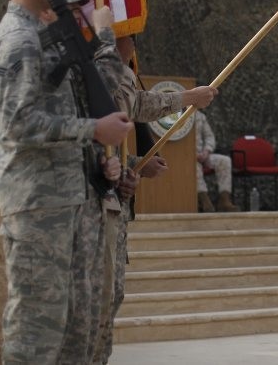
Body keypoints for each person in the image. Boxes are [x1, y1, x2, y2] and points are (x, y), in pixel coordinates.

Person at [0, 0, 132, 364]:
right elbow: (18, 124)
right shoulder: (18, 40)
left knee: (73, 328)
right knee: (37, 328)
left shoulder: (40, 38)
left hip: (65, 199)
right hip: (37, 203)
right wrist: (94, 130)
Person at [93, 27, 218, 364]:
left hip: (114, 204)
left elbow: (132, 108)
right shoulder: (93, 75)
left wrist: (132, 166)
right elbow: (131, 108)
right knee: (95, 301)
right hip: (91, 210)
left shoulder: (117, 75)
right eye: (127, 35)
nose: (132, 45)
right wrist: (188, 98)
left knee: (111, 297)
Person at [194, 110, 239, 213]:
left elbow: (209, 137)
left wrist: (206, 151)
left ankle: (224, 200)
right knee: (194, 165)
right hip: (187, 156)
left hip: (203, 154)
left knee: (224, 161)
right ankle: (204, 200)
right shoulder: (176, 115)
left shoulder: (200, 116)